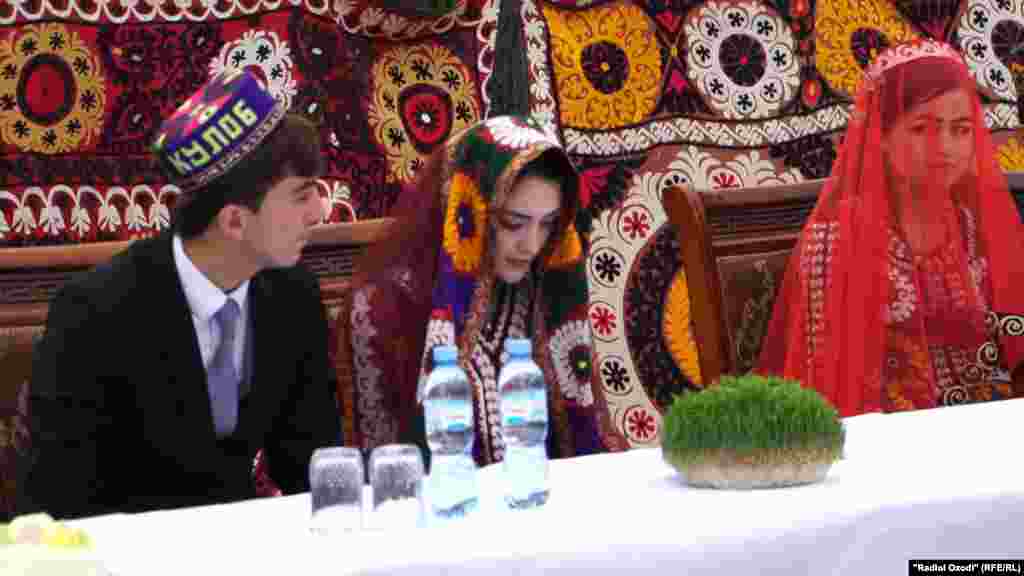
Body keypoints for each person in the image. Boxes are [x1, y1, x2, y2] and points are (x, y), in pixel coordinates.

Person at [18, 69, 341, 519]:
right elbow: (59, 498)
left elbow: (311, 468)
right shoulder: (95, 313)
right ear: (234, 221)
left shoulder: (293, 295)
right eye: (301, 195)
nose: (320, 211)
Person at [334, 115, 626, 464]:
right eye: (513, 223)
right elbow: (382, 471)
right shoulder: (384, 308)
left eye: (548, 224)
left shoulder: (545, 296)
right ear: (465, 210)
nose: (532, 245)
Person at [758, 39, 1024, 416]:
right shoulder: (835, 245)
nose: (945, 146)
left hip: (981, 428)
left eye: (961, 129)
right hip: (881, 437)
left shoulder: (977, 233)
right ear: (879, 135)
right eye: (921, 128)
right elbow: (828, 386)